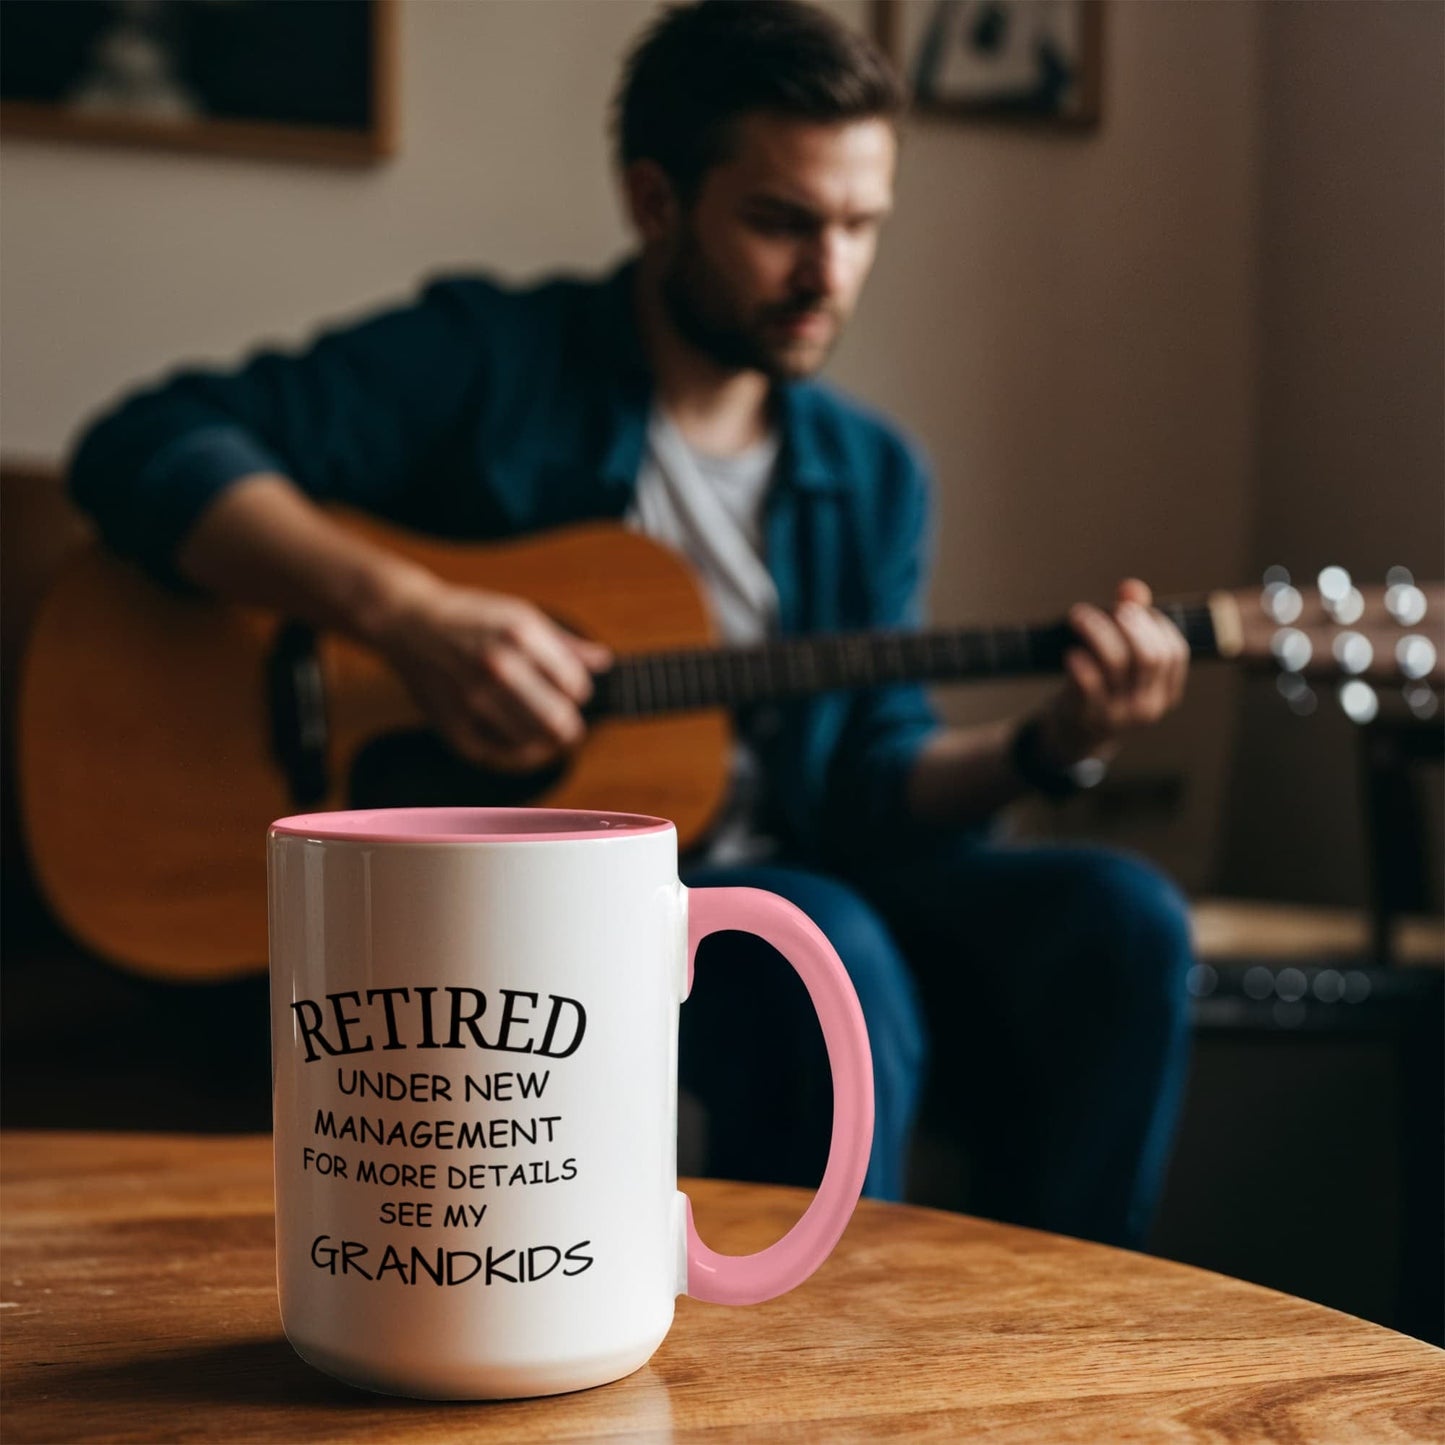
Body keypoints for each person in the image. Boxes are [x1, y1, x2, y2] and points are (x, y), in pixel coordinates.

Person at [69, 0, 1193, 1249]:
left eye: (861, 225)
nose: (830, 273)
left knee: (1122, 916)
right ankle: (797, 1360)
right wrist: (410, 612)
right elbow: (146, 441)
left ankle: (1077, 1329)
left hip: (810, 879)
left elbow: (877, 772)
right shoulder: (491, 361)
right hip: (566, 916)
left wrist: (1050, 743)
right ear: (656, 202)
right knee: (822, 934)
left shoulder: (873, 473)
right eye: (782, 222)